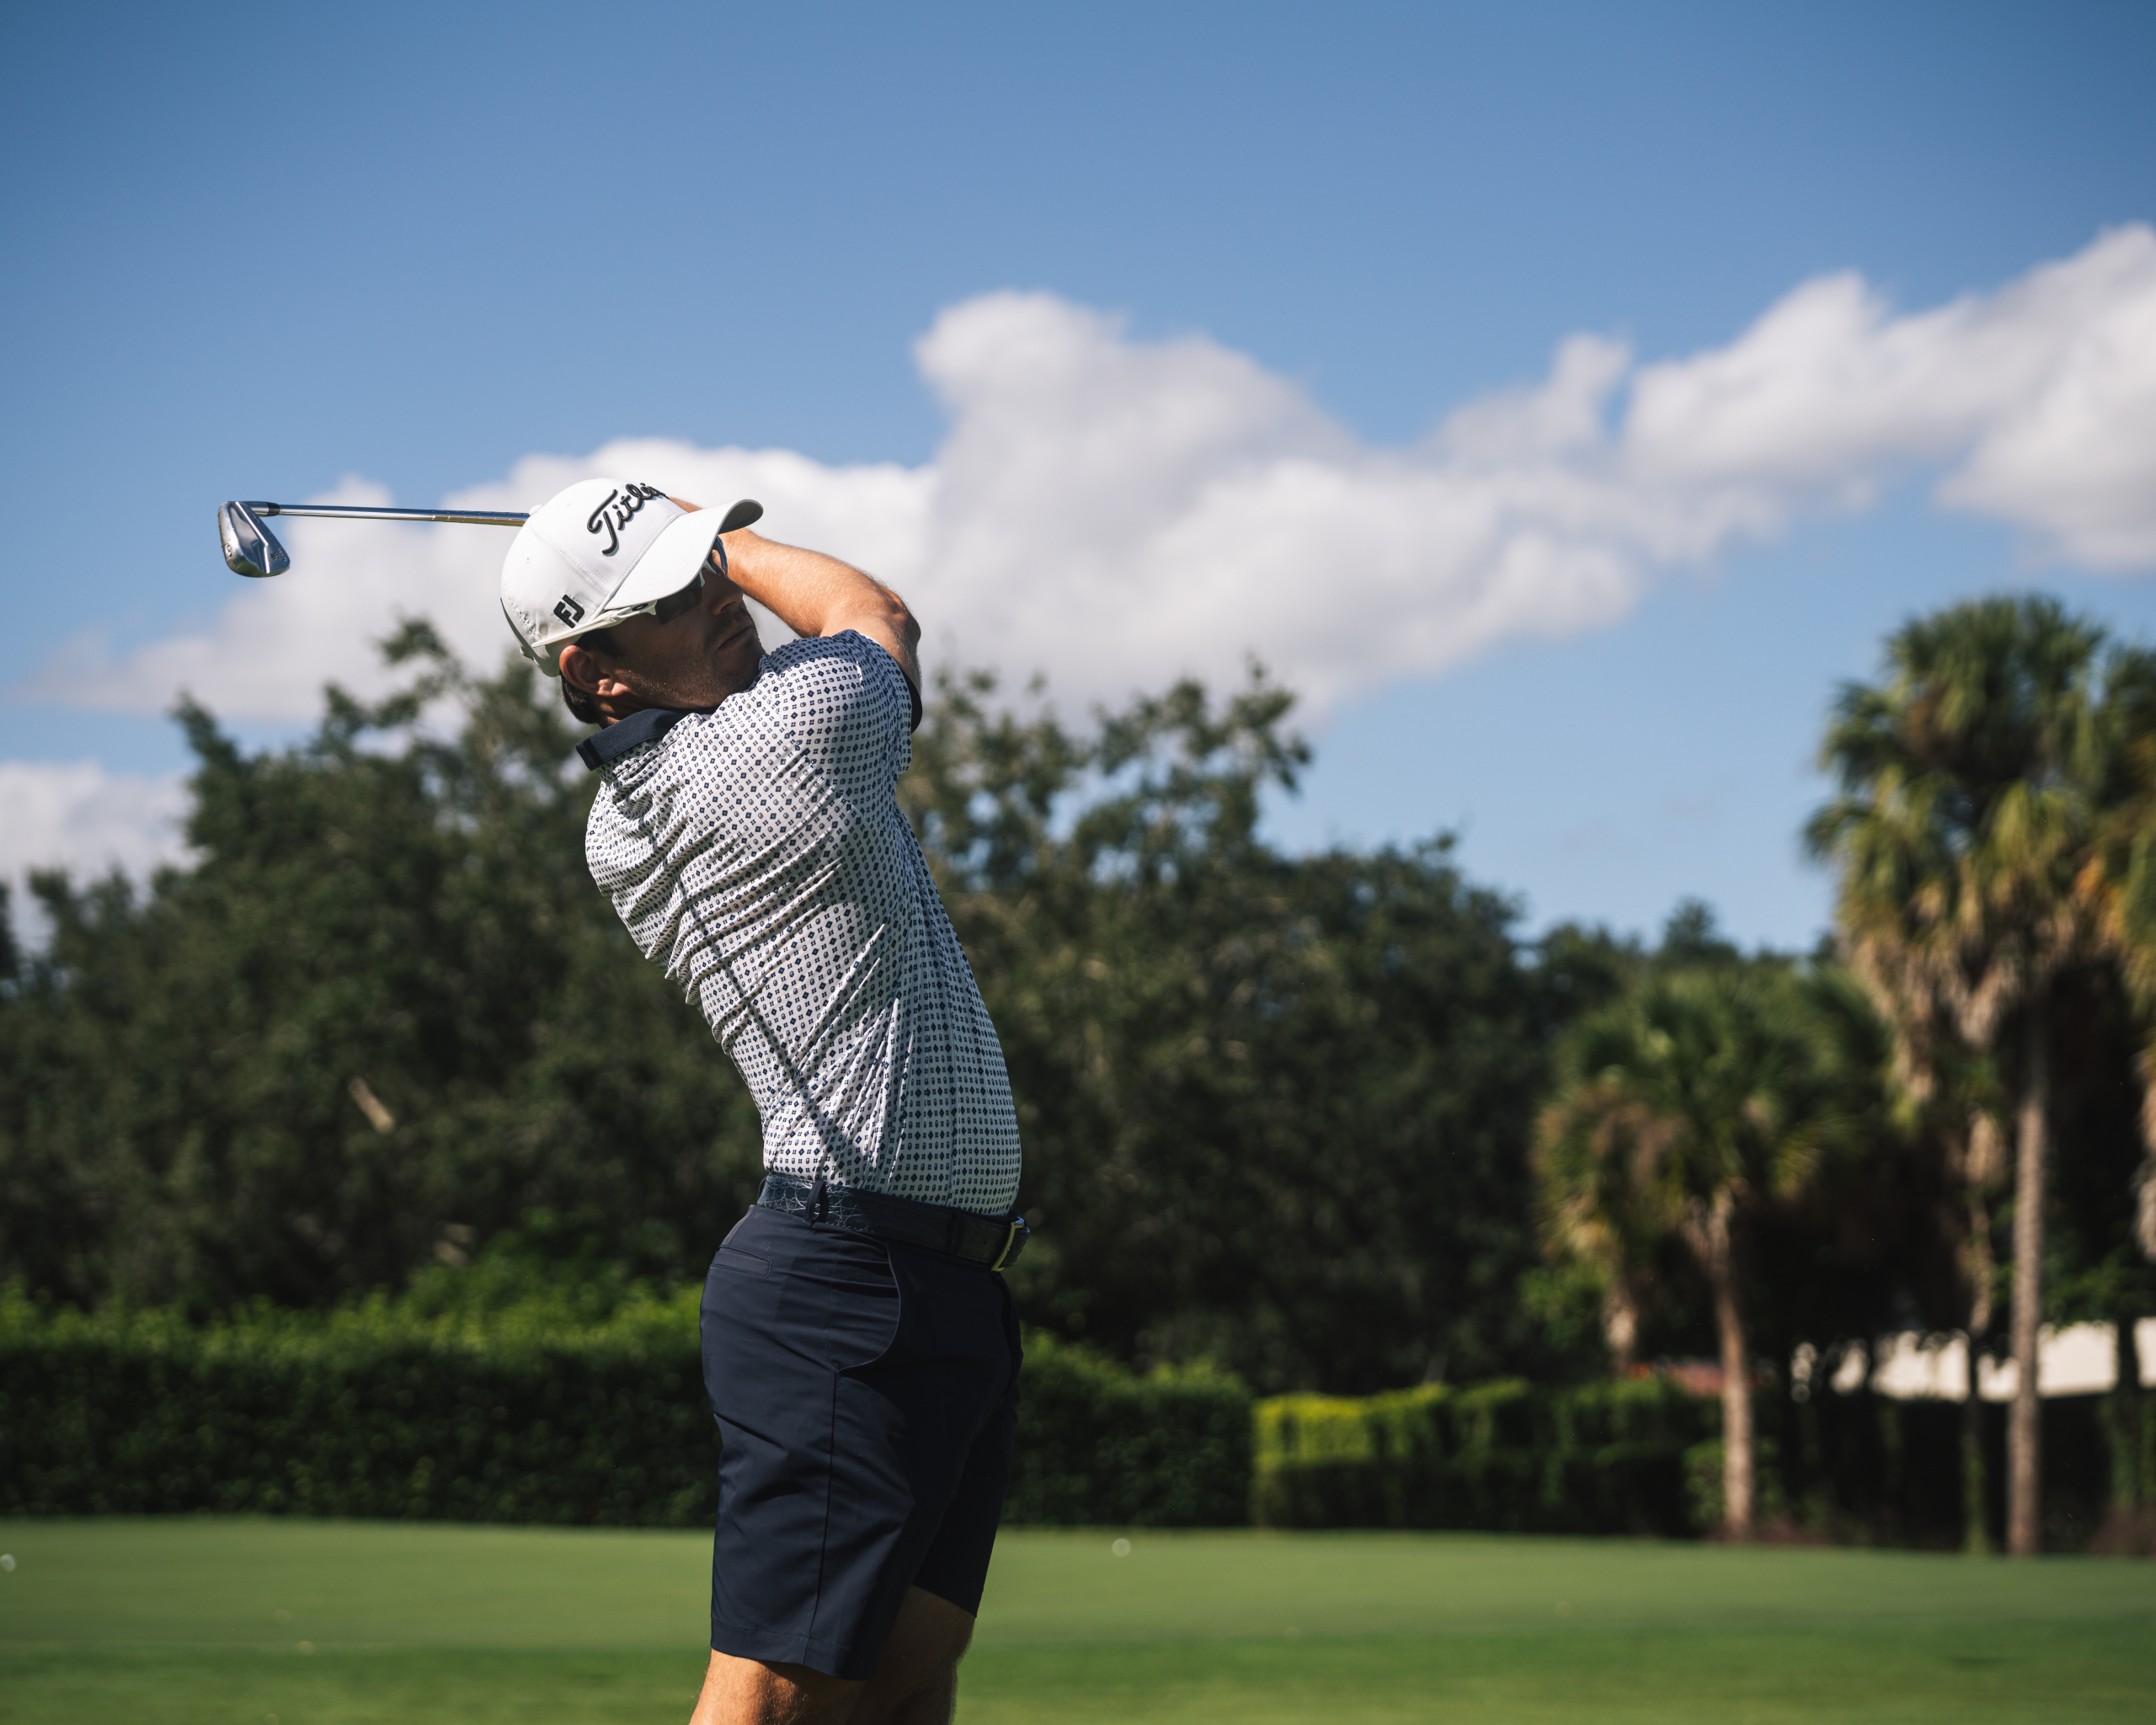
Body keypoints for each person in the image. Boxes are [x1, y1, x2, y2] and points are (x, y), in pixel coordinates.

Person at [499, 478, 1027, 1725]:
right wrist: (720, 528)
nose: (720, 601)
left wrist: (673, 543)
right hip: (841, 1288)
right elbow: (869, 605)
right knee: (773, 1701)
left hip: (943, 1284)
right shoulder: (776, 744)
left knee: (903, 1687)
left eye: (709, 575)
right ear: (598, 673)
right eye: (674, 599)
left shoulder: (658, 793)